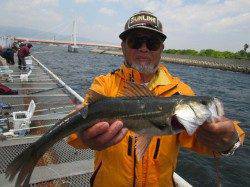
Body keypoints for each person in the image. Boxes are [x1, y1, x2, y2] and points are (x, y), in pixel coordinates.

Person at [68, 11, 245, 186]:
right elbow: (75, 132)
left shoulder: (180, 92)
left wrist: (230, 139)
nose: (144, 48)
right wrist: (84, 137)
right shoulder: (104, 84)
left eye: (152, 43)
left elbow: (207, 141)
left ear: (161, 49)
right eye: (135, 41)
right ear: (123, 47)